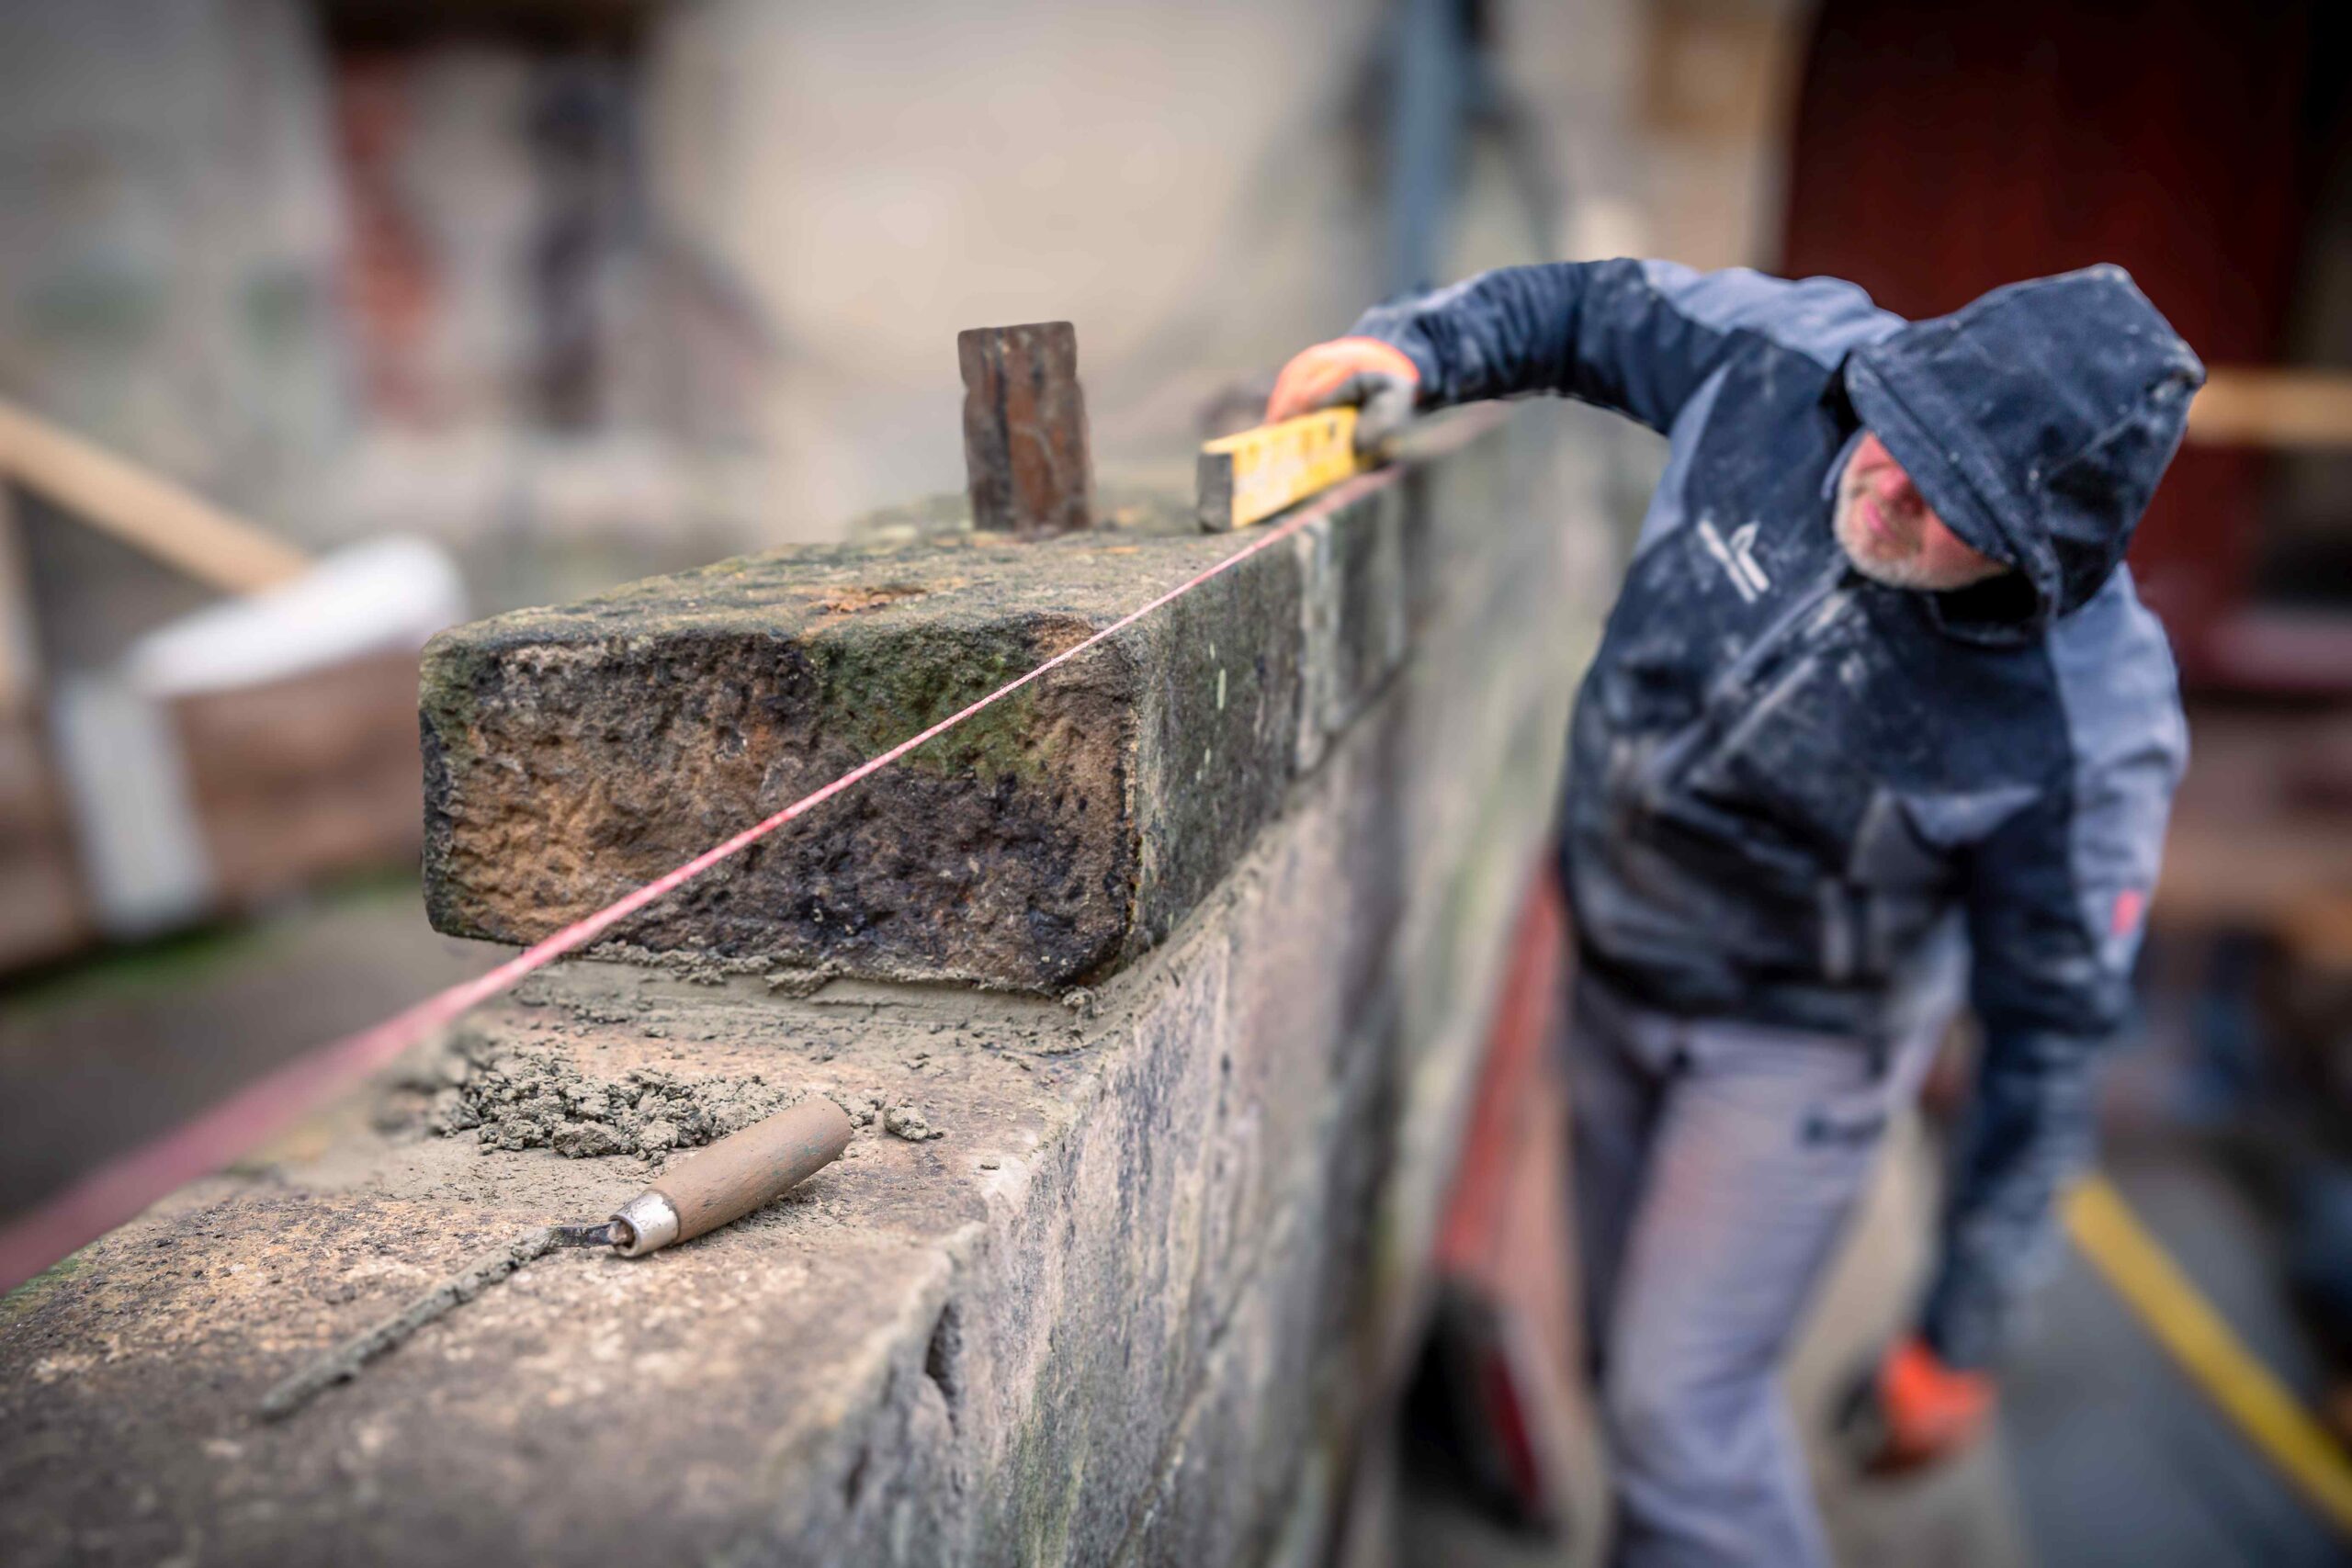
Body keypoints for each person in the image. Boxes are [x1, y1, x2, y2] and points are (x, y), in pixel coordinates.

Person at [1268, 260, 2199, 1566]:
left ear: (2047, 557)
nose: (1891, 489)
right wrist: (1420, 352)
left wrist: (1960, 1332)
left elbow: (2048, 1039)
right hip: (1615, 953)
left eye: (1957, 505)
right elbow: (1584, 313)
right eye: (1903, 438)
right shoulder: (1785, 361)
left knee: (1678, 1419)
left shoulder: (2085, 728)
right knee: (1614, 1366)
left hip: (1795, 1046)